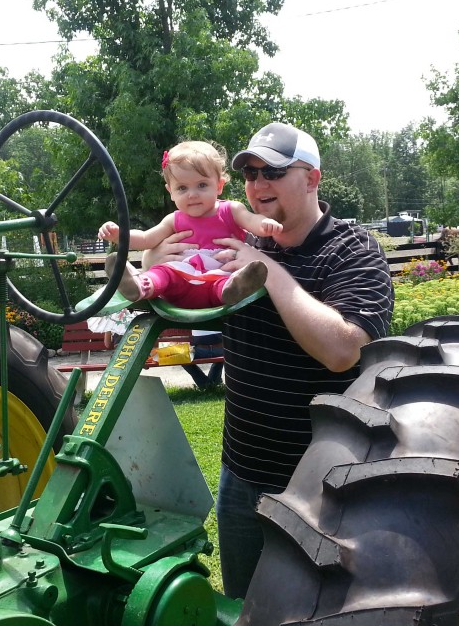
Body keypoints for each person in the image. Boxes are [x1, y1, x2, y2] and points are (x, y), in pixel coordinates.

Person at [141, 122, 394, 598]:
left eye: (273, 172)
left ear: (313, 178)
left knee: (317, 613)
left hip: (328, 484)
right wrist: (154, 259)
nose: (258, 186)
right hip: (242, 472)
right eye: (251, 174)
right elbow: (169, 300)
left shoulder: (352, 250)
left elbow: (343, 351)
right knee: (243, 609)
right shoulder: (239, 243)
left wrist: (272, 274)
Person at [99, 140, 281, 309]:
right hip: (180, 281)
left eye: (202, 185)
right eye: (182, 188)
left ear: (219, 186)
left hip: (217, 277)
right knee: (165, 272)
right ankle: (141, 286)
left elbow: (251, 219)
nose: (192, 194)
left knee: (225, 280)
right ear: (170, 191)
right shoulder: (174, 219)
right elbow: (147, 238)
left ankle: (234, 289)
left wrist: (265, 224)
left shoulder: (231, 210)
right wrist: (120, 234)